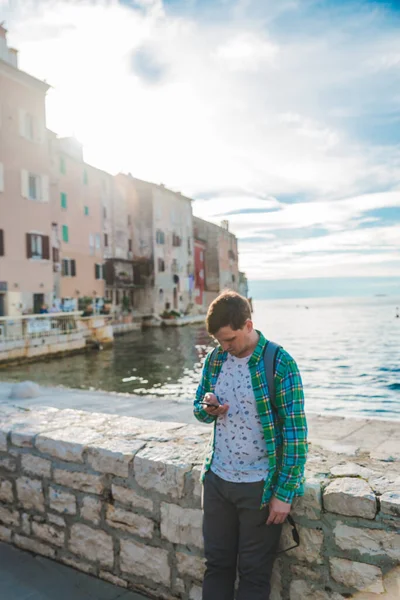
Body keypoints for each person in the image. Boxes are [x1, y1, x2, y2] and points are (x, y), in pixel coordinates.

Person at [193, 291, 308, 600]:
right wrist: (208, 407)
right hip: (217, 482)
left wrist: (283, 494)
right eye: (219, 341)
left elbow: (296, 435)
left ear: (247, 324)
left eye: (229, 339)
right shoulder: (216, 359)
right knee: (216, 566)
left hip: (259, 487)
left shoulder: (279, 363)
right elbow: (197, 407)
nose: (225, 347)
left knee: (254, 575)